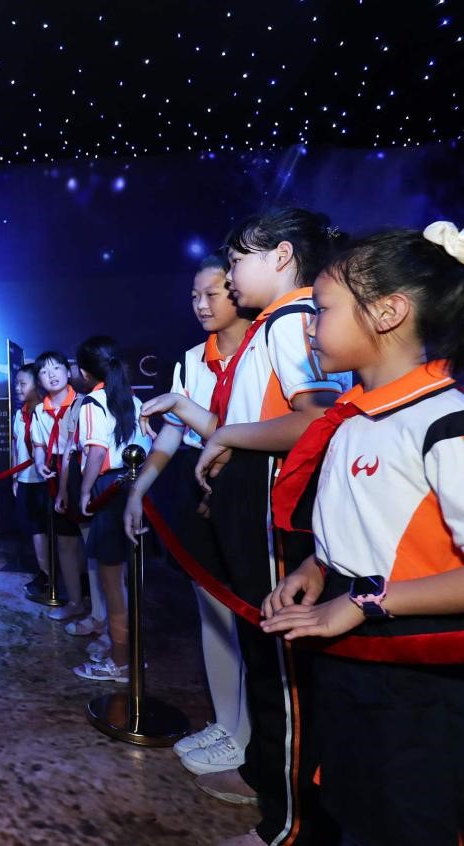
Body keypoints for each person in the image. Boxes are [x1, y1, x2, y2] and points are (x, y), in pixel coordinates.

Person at [141, 208, 346, 845]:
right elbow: (251, 424)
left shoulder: (289, 320)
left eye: (236, 262)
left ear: (280, 256)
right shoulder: (273, 324)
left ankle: (288, 827)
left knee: (282, 671)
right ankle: (266, 783)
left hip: (273, 507)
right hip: (252, 504)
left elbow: (315, 420)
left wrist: (226, 435)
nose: (228, 278)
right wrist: (205, 421)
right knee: (266, 661)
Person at [261, 222, 464, 846]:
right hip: (353, 650)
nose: (310, 328)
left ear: (387, 312)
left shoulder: (445, 422)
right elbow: (364, 529)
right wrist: (315, 571)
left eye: (322, 310)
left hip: (418, 672)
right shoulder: (353, 420)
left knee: (409, 818)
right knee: (355, 805)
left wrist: (364, 600)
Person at [124, 254, 254, 776]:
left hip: (248, 493)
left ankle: (250, 737)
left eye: (212, 294)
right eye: (194, 296)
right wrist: (139, 490)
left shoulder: (264, 347)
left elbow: (238, 430)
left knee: (251, 619)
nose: (201, 305)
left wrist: (182, 409)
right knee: (214, 613)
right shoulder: (191, 359)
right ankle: (227, 724)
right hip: (200, 491)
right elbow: (172, 436)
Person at [64, 336, 150, 682]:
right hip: (136, 487)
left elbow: (96, 452)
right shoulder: (133, 399)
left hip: (109, 490)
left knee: (112, 582)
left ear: (85, 372)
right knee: (128, 580)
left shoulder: (91, 403)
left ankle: (120, 661)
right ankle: (127, 650)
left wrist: (85, 491)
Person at [30, 350, 86, 620]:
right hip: (54, 473)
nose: (51, 375)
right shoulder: (40, 411)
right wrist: (40, 462)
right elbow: (39, 444)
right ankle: (75, 602)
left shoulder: (84, 403)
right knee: (65, 542)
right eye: (44, 371)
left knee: (91, 542)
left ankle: (100, 607)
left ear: (68, 370)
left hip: (82, 471)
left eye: (56, 368)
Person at [11, 362, 54, 593]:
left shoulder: (47, 412)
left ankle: (64, 576)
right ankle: (44, 573)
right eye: (16, 384)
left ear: (37, 384)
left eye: (22, 383)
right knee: (36, 530)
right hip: (25, 480)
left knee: (53, 531)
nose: (17, 388)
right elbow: (16, 448)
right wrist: (15, 477)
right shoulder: (20, 414)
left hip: (45, 480)